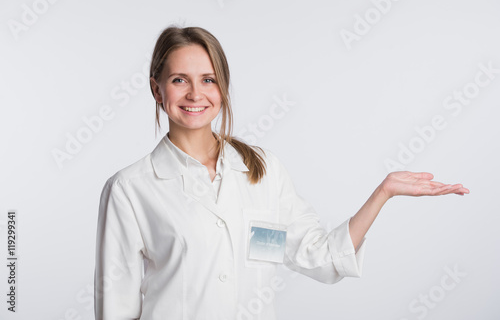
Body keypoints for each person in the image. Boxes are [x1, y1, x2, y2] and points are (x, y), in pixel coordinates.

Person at [93, 25, 469, 320]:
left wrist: (382, 194)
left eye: (208, 80)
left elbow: (319, 258)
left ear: (222, 88)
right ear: (157, 90)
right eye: (179, 80)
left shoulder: (261, 171)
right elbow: (117, 307)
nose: (195, 94)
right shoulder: (130, 189)